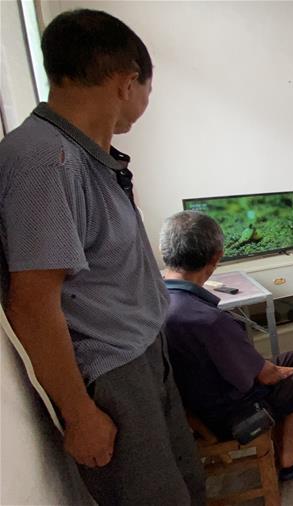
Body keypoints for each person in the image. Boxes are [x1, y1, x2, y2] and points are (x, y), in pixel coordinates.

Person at [0, 10, 204, 504]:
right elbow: (32, 303)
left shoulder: (87, 155)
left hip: (143, 352)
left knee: (185, 484)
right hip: (113, 373)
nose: (145, 102)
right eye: (148, 89)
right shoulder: (47, 161)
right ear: (128, 82)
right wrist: (79, 413)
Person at [160, 211, 293, 488]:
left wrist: (278, 369)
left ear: (165, 252)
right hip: (239, 416)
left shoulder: (157, 303)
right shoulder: (209, 321)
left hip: (201, 408)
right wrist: (280, 372)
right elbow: (265, 376)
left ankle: (290, 451)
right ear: (216, 258)